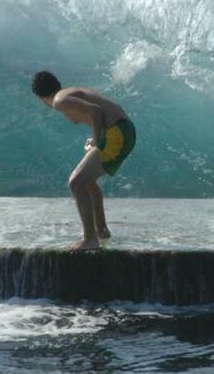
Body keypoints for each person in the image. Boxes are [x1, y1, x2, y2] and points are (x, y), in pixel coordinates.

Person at [31, 71, 136, 250]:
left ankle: (90, 240)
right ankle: (101, 230)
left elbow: (96, 111)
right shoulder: (70, 93)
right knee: (86, 181)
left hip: (118, 133)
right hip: (122, 130)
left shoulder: (59, 100)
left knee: (75, 182)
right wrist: (98, 137)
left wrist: (96, 140)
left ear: (41, 97)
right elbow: (102, 111)